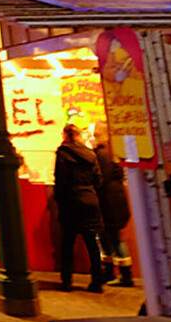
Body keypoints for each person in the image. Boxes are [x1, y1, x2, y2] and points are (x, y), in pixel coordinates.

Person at [53, 123, 104, 292]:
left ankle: (67, 281)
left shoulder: (63, 154)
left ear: (65, 135)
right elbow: (98, 180)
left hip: (71, 202)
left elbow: (60, 180)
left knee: (68, 243)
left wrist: (59, 199)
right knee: (92, 244)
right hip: (89, 200)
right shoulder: (90, 154)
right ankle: (97, 281)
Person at [93, 136, 133, 287]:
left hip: (107, 203)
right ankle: (116, 272)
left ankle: (123, 274)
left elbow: (100, 179)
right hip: (117, 201)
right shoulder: (114, 152)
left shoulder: (101, 155)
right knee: (112, 237)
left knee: (112, 238)